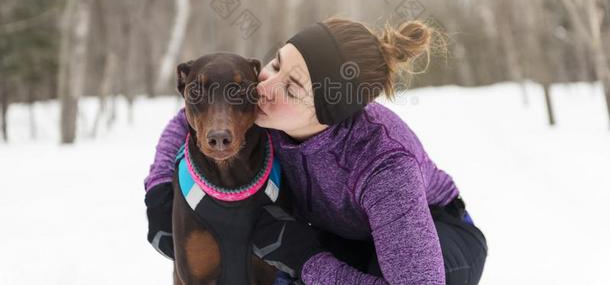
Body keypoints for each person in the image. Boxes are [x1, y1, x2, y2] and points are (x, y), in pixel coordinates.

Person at [144, 17, 488, 284]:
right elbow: (187, 117)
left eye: (290, 89)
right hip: (347, 235)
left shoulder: (384, 164)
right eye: (276, 65)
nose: (265, 89)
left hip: (438, 239)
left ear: (326, 116)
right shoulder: (265, 112)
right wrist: (159, 190)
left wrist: (307, 260)